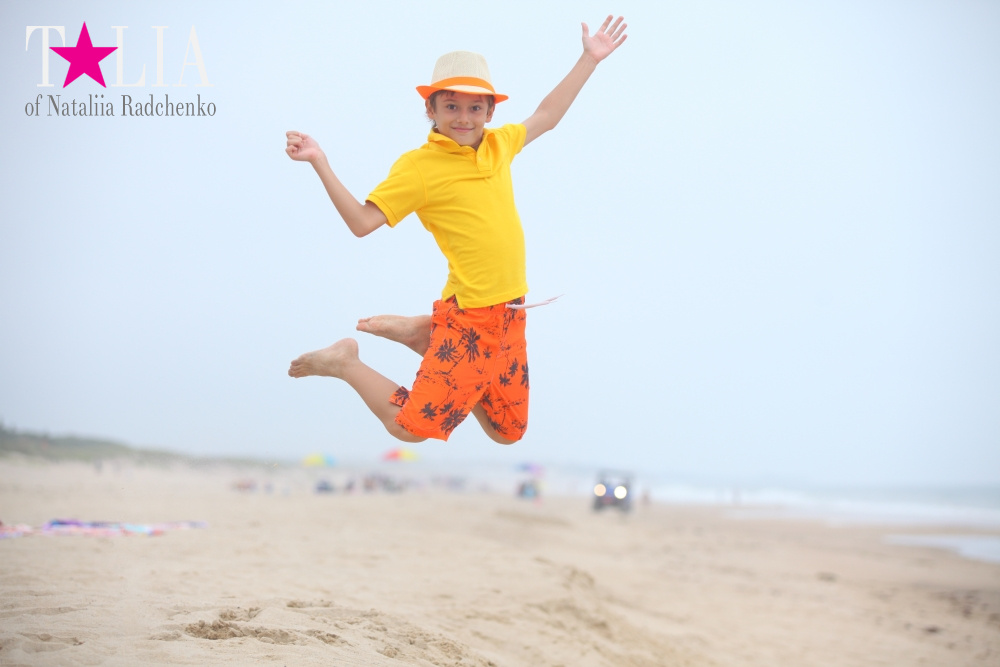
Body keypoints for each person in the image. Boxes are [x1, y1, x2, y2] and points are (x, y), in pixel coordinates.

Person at [285, 15, 628, 444]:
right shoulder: (420, 168)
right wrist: (320, 160)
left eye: (474, 107)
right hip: (470, 320)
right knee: (410, 427)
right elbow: (361, 222)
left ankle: (420, 333)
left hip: (510, 313)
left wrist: (589, 60)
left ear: (489, 110)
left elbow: (548, 114)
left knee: (508, 431)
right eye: (451, 106)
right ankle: (345, 362)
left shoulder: (499, 145)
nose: (463, 117)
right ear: (430, 109)